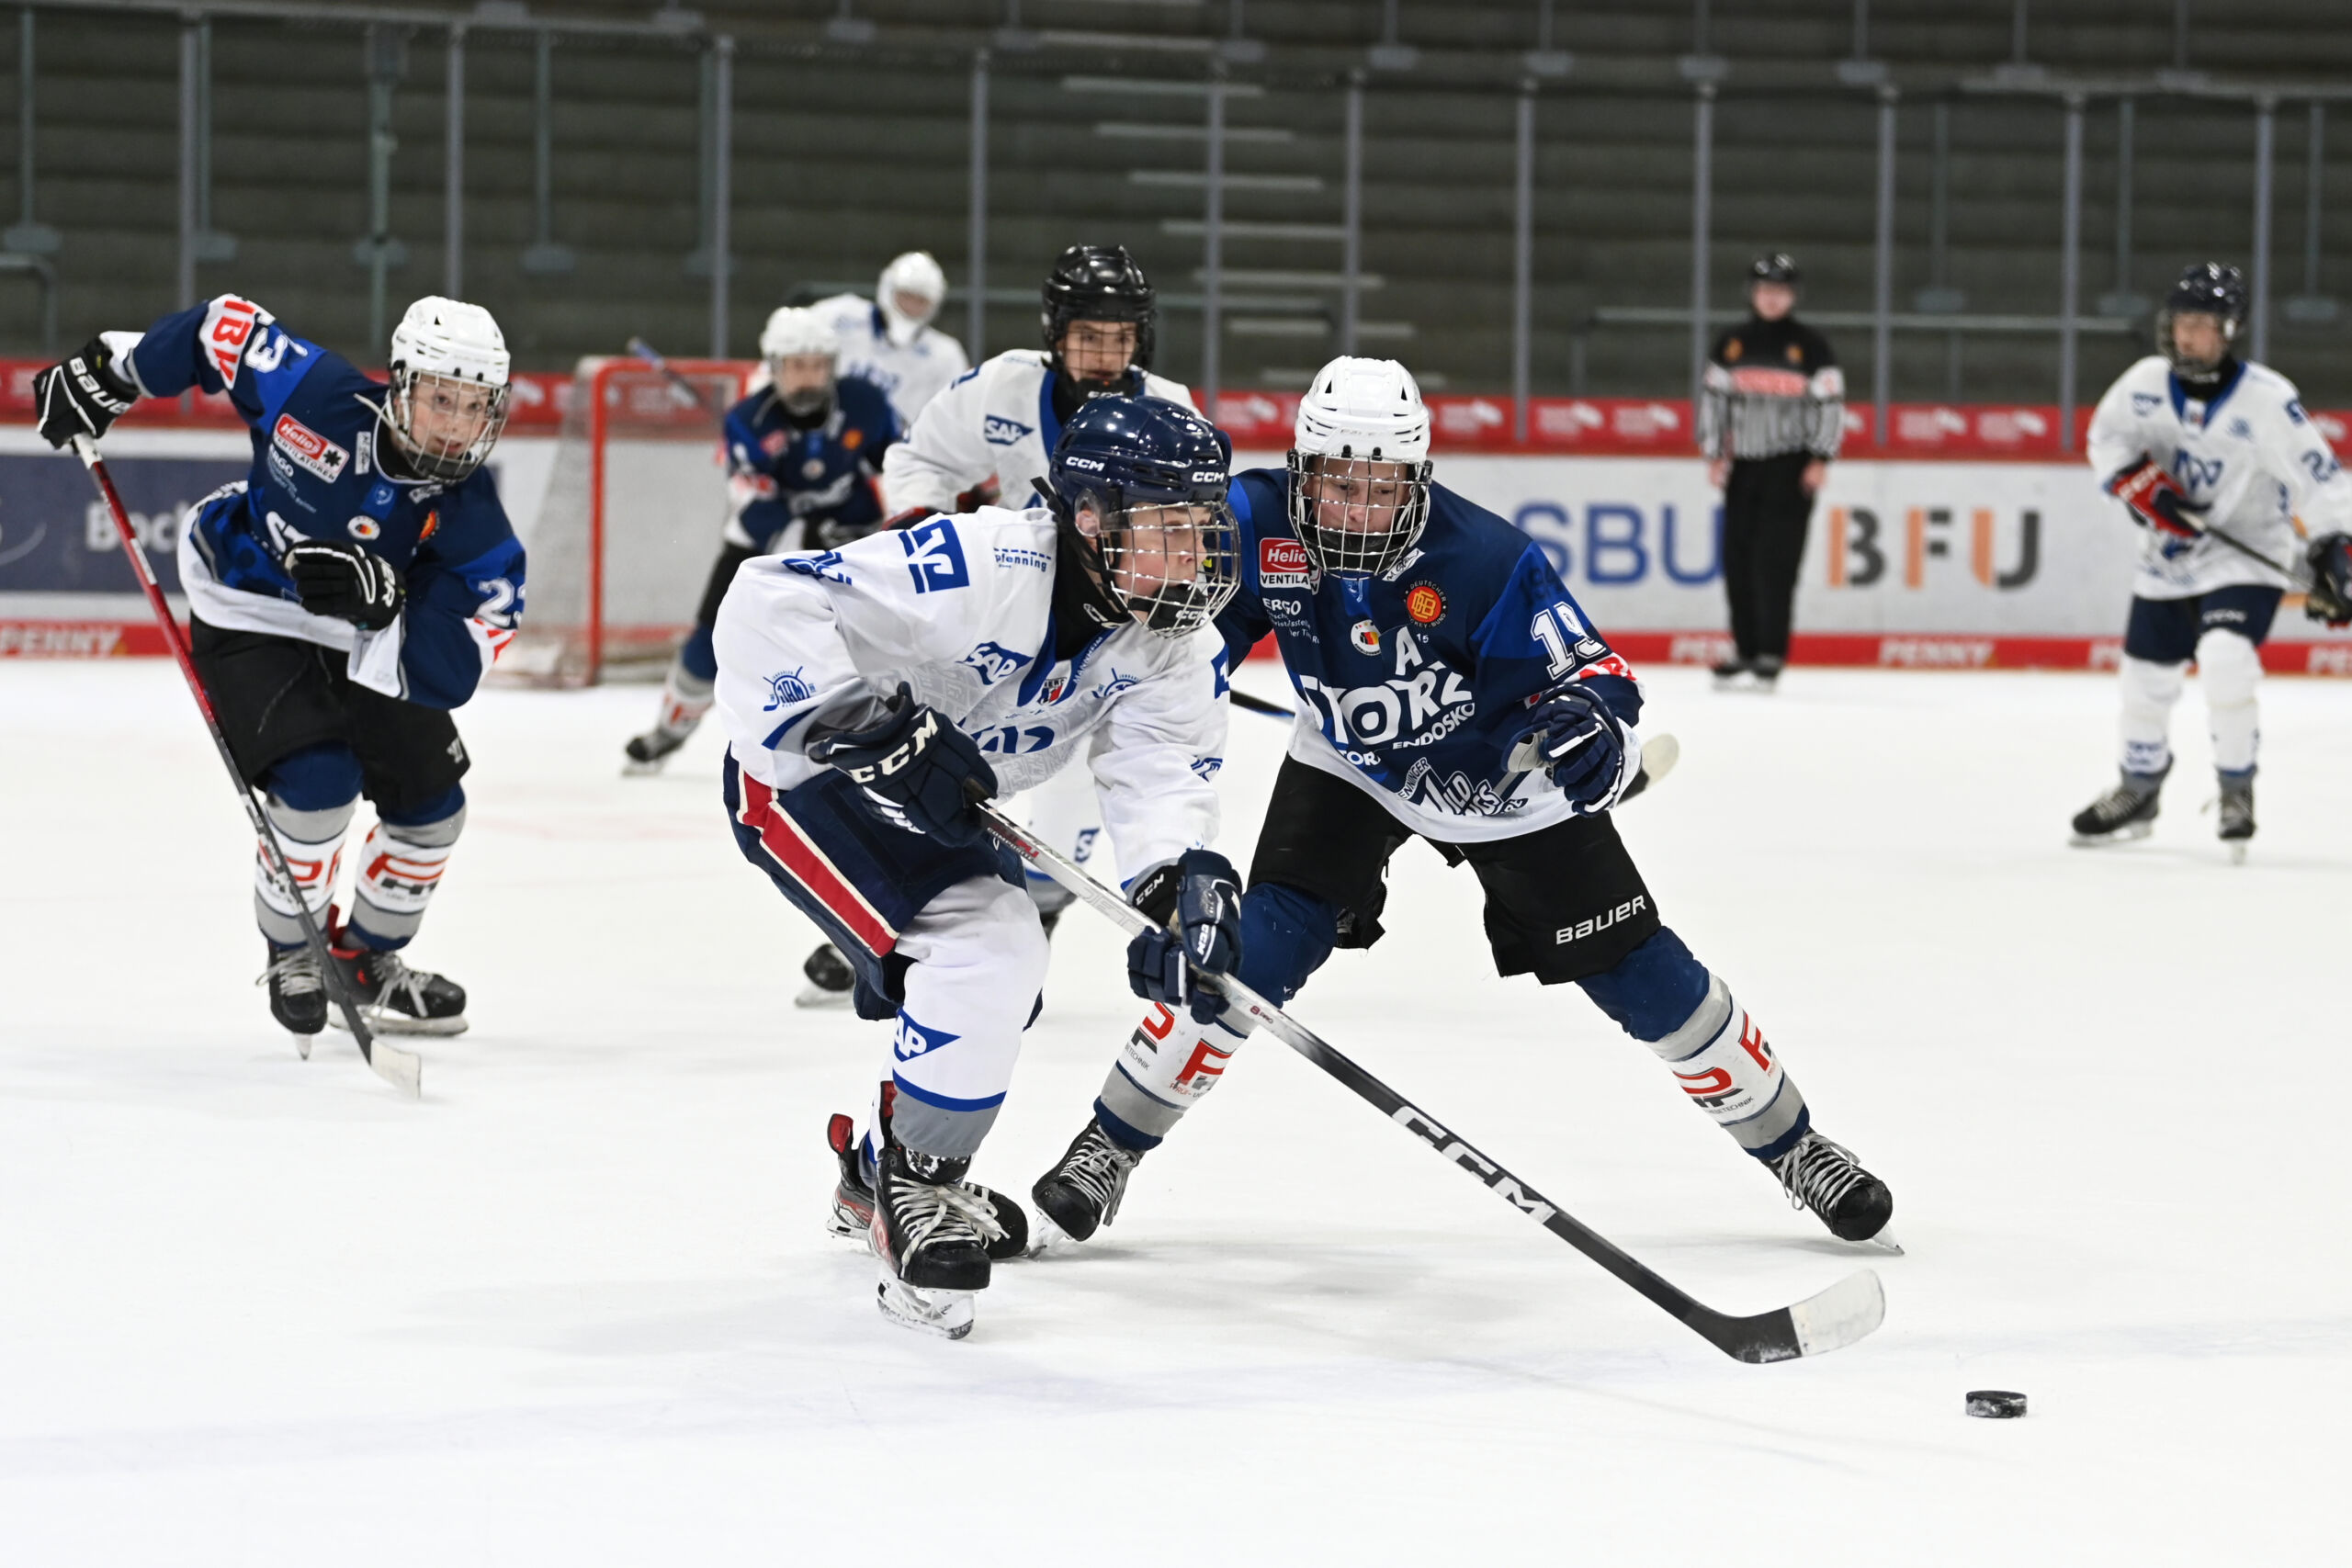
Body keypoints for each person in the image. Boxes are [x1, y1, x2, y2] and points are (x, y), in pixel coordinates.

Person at [1027, 355, 1895, 1255]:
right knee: (1245, 960)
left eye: (1380, 486)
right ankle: (1108, 1146)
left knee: (1644, 976)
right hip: (1349, 766)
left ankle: (1797, 1148)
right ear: (1300, 470)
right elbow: (1184, 635)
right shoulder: (1250, 522)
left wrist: (1590, 725)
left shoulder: (1484, 558)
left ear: (1418, 480)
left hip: (1499, 788)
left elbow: (1595, 675)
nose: (1356, 509)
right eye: (1336, 485)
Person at [709, 395, 1238, 1339]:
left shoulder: (1171, 640)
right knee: (991, 951)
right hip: (804, 773)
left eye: (1202, 529)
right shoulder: (986, 561)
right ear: (1088, 519)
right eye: (1166, 529)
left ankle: (878, 1161)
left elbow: (1159, 773)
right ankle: (913, 1188)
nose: (1191, 556)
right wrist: (859, 722)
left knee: (992, 976)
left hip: (929, 797)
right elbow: (765, 596)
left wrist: (1173, 879)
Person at [30, 295, 524, 1035]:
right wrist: (116, 367)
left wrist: (388, 608)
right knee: (321, 786)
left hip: (367, 642)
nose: (453, 424)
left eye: (472, 405)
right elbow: (220, 326)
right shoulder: (316, 396)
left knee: (434, 811)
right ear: (399, 384)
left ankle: (365, 962)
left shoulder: (473, 519)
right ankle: (293, 947)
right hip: (248, 601)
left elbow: (459, 663)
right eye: (438, 398)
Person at [788, 243, 1197, 1007]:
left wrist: (1180, 636)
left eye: (1121, 336)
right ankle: (883, 912)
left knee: (1075, 796)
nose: (1105, 354)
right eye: (1088, 335)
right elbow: (920, 459)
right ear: (1054, 331)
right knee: (923, 762)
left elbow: (1189, 533)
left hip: (1101, 640)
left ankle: (1026, 922)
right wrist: (927, 536)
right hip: (996, 616)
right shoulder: (1003, 388)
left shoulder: (1170, 410)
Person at [2070, 262, 2352, 859]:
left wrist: (2334, 547)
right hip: (2167, 559)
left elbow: (2321, 480)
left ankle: (2235, 787)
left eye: (2200, 325)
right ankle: (2138, 788)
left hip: (2246, 559)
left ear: (2229, 330)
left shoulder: (2268, 400)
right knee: (2144, 681)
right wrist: (2135, 484)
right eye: (2180, 323)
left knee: (2225, 656)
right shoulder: (2145, 381)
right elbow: (2106, 439)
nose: (2186, 337)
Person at [623, 308, 899, 771]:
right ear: (774, 368)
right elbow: (756, 517)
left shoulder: (865, 403)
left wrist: (882, 527)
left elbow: (897, 466)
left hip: (853, 541)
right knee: (707, 643)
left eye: (818, 366)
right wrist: (812, 529)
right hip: (759, 546)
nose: (810, 378)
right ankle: (669, 731)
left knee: (875, 641)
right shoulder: (749, 421)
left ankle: (880, 737)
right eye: (797, 367)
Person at [1698, 254, 1844, 691]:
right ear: (1753, 293)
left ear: (1792, 296)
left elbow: (1831, 406)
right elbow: (1713, 400)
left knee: (1775, 562)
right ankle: (1743, 649)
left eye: (1780, 291)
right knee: (1738, 560)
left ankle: (1769, 654)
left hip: (1790, 467)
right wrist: (1713, 453)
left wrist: (1820, 458)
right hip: (1743, 466)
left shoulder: (1811, 346)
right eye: (1765, 290)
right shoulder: (1732, 343)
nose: (1772, 298)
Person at [810, 250, 970, 428]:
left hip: (894, 448)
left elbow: (954, 419)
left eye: (921, 301)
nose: (911, 307)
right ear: (888, 289)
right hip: (826, 431)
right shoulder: (840, 314)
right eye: (906, 296)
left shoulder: (946, 355)